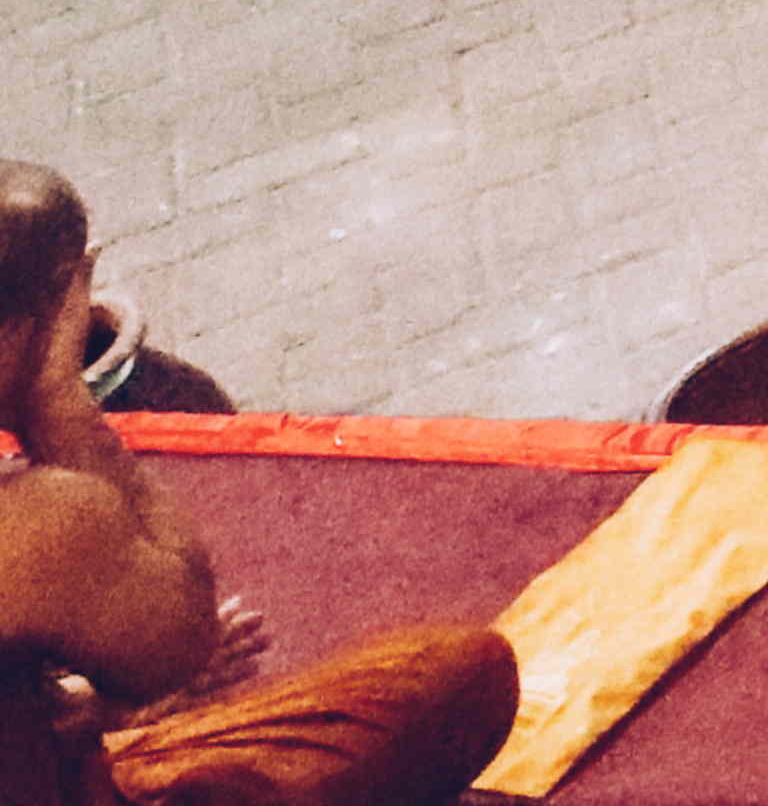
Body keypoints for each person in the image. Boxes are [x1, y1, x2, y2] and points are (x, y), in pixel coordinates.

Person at [0, 163, 519, 806]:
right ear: (30, 325)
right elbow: (182, 639)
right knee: (465, 676)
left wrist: (93, 707)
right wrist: (56, 398)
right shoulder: (39, 521)